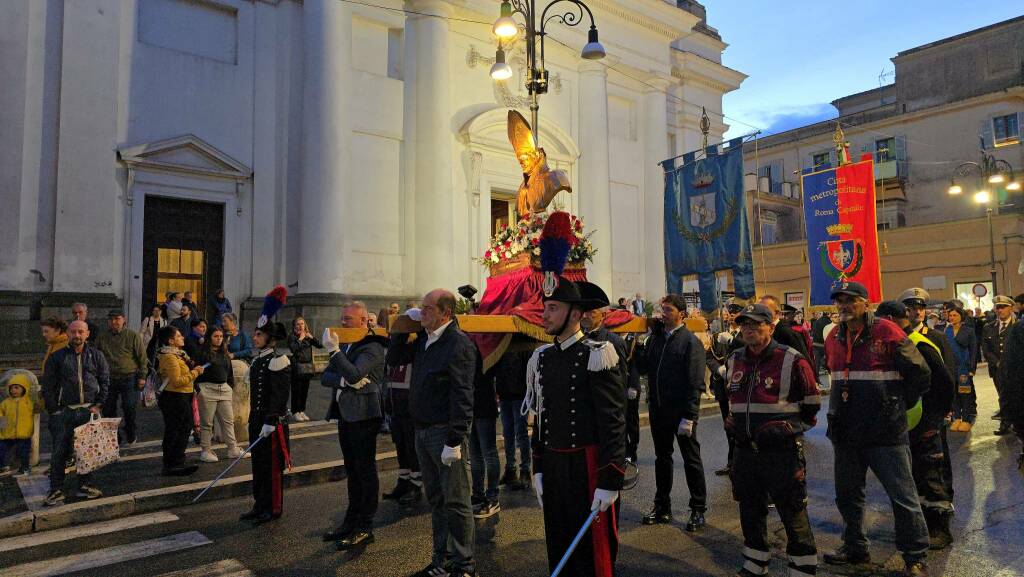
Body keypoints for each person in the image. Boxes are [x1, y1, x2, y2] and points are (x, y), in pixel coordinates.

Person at [823, 281, 932, 577]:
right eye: (840, 301)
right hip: (846, 431)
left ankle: (915, 556)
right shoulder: (834, 336)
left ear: (866, 303)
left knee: (903, 496)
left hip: (884, 432)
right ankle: (855, 546)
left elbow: (920, 374)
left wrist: (894, 405)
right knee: (847, 495)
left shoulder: (887, 331)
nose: (844, 305)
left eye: (851, 300)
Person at [525, 278, 625, 577]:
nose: (544, 315)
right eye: (545, 307)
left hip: (588, 465)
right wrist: (538, 467)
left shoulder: (597, 353)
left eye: (553, 308)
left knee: (591, 552)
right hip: (555, 465)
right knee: (559, 540)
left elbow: (613, 421)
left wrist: (610, 479)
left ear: (576, 314)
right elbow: (542, 418)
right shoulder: (542, 357)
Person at [386, 289, 477, 577]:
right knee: (436, 500)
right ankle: (443, 559)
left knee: (457, 501)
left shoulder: (457, 344)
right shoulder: (424, 340)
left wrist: (455, 440)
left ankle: (465, 566)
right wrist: (403, 326)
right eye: (421, 308)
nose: (421, 312)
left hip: (444, 434)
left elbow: (462, 395)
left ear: (445, 313)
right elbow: (394, 358)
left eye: (427, 309)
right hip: (422, 431)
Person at [725, 304, 820, 577]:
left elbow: (812, 402)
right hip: (745, 452)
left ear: (770, 326)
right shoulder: (735, 359)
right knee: (750, 510)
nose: (749, 330)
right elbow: (729, 396)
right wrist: (732, 420)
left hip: (781, 452)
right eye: (744, 325)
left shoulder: (791, 358)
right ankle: (755, 564)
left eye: (756, 324)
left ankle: (802, 568)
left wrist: (789, 428)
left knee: (792, 511)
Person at [875, 301, 956, 550]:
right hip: (907, 423)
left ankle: (941, 529)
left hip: (925, 423)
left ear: (890, 318)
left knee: (932, 476)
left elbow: (944, 383)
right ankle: (923, 527)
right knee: (915, 477)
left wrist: (935, 419)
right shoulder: (899, 342)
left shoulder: (919, 344)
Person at [320, 301, 389, 549]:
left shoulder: (372, 347)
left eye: (348, 319)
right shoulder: (347, 344)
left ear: (363, 322)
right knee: (352, 471)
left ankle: (365, 526)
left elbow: (354, 373)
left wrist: (336, 354)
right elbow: (325, 377)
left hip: (363, 416)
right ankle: (350, 521)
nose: (343, 323)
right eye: (342, 318)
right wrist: (344, 378)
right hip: (346, 414)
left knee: (365, 471)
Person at [637, 294, 708, 531]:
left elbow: (695, 381)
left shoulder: (689, 342)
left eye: (668, 310)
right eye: (662, 310)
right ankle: (662, 506)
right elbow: (643, 367)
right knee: (662, 458)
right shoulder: (657, 340)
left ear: (681, 313)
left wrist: (690, 416)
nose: (663, 314)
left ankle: (698, 509)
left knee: (691, 459)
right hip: (659, 410)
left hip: (681, 412)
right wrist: (639, 343)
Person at [41, 320, 109, 506]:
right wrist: (54, 410)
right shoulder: (57, 357)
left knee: (86, 451)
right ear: (68, 334)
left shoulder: (96, 356)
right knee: (59, 452)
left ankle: (85, 485)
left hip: (88, 410)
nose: (77, 335)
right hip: (65, 412)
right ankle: (56, 489)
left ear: (87, 334)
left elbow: (104, 382)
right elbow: (48, 386)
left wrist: (98, 404)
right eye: (73, 332)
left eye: (80, 332)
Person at [240, 320, 292, 525]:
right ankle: (260, 504)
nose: (254, 337)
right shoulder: (257, 361)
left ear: (270, 339)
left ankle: (273, 508)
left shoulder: (279, 360)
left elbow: (280, 395)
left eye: (259, 335)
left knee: (271, 467)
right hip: (257, 419)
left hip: (272, 422)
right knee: (258, 465)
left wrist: (271, 420)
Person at [155, 325, 203, 476]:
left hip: (183, 395)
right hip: (174, 397)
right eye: (179, 336)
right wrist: (195, 372)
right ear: (171, 341)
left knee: (182, 428)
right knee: (176, 430)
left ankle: (177, 460)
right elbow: (176, 381)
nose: (182, 337)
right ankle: (172, 464)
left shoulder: (178, 354)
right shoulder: (169, 357)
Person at [95, 310, 148, 445]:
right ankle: (114, 436)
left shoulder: (132, 336)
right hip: (109, 379)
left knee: (129, 407)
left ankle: (131, 431)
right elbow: (96, 357)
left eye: (117, 319)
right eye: (111, 319)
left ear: (123, 320)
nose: (114, 322)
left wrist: (142, 376)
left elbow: (142, 358)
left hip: (130, 377)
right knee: (108, 409)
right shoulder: (102, 337)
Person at [706, 300, 745, 476]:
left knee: (742, 426)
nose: (730, 315)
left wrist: (733, 340)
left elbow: (748, 350)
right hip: (723, 386)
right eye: (729, 312)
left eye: (734, 312)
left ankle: (742, 463)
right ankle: (732, 462)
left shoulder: (746, 334)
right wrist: (718, 369)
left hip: (741, 387)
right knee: (728, 425)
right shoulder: (718, 336)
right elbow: (710, 356)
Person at [192, 326, 240, 463]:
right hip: (207, 389)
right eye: (216, 336)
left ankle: (233, 448)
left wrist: (230, 386)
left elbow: (229, 372)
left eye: (220, 336)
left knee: (228, 421)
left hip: (224, 389)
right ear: (209, 338)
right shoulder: (201, 353)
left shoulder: (224, 353)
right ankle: (206, 450)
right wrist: (198, 388)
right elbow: (195, 371)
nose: (219, 339)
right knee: (207, 423)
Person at [382, 356, 424, 505]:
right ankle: (403, 482)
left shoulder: (414, 349)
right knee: (401, 448)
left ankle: (415, 485)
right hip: (395, 405)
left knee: (411, 449)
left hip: (409, 407)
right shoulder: (395, 351)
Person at [493, 347, 532, 489]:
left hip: (519, 394)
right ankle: (511, 470)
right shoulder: (502, 340)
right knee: (508, 433)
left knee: (520, 433)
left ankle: (525, 470)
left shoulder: (521, 344)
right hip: (505, 393)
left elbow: (529, 368)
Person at [470, 353, 501, 519]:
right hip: (470, 406)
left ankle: (492, 497)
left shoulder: (486, 347)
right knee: (475, 455)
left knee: (488, 452)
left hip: (484, 404)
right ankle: (478, 494)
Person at [982, 295, 1016, 435]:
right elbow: (986, 349)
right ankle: (1005, 423)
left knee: (1017, 395)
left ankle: (1017, 422)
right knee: (1002, 395)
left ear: (1011, 308)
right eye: (998, 307)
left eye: (1003, 307)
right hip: (997, 369)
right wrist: (996, 362)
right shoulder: (989, 327)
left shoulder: (1018, 326)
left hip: (1015, 369)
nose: (1000, 310)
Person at [944, 304, 977, 432]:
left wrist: (972, 368)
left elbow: (973, 350)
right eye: (950, 315)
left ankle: (966, 419)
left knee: (965, 393)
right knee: (954, 394)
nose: (952, 317)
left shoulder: (968, 330)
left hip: (964, 367)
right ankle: (956, 417)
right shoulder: (947, 331)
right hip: (951, 367)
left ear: (961, 316)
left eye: (955, 315)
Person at [0, 375, 40, 477]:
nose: (14, 390)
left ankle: (25, 468)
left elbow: (38, 410)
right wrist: (2, 429)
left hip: (24, 434)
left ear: (24, 388)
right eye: (12, 388)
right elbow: (1, 415)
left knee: (24, 453)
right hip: (8, 434)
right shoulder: (5, 403)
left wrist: (40, 400)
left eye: (17, 387)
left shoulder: (29, 402)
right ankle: (3, 466)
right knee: (2, 449)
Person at [288, 316, 322, 422]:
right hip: (297, 367)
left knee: (304, 391)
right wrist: (300, 339)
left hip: (307, 367)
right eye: (298, 324)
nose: (300, 326)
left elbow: (320, 345)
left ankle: (302, 410)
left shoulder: (307, 337)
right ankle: (295, 412)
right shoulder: (292, 337)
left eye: (302, 323)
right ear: (294, 326)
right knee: (296, 390)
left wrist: (311, 337)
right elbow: (293, 348)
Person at [758, 296, 811, 360]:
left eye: (764, 309)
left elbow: (801, 360)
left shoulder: (787, 332)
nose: (759, 313)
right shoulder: (761, 331)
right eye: (758, 309)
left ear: (777, 313)